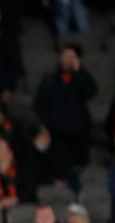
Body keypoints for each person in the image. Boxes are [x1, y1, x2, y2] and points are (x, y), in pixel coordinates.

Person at [34, 43, 97, 181]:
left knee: (77, 169)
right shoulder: (49, 79)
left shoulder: (81, 77)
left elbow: (91, 92)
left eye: (71, 57)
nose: (67, 59)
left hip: (78, 134)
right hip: (55, 133)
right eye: (65, 56)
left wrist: (80, 71)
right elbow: (39, 105)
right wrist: (44, 127)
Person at [0, 135, 34, 213]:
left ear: (10, 152)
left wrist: (16, 199)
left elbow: (30, 190)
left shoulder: (21, 168)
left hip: (21, 205)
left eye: (2, 149)